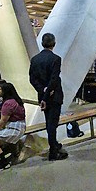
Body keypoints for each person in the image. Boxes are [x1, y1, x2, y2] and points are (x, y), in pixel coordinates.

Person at [29, 33, 68, 161]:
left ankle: (54, 144)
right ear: (54, 43)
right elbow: (54, 79)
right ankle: (53, 150)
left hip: (43, 97)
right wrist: (48, 92)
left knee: (48, 122)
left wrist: (43, 91)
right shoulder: (56, 59)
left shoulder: (35, 59)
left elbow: (32, 79)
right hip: (54, 95)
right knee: (53, 124)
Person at [0, 81, 27, 171]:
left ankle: (4, 162)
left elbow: (3, 120)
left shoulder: (8, 103)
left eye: (0, 89)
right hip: (19, 125)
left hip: (15, 128)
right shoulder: (15, 101)